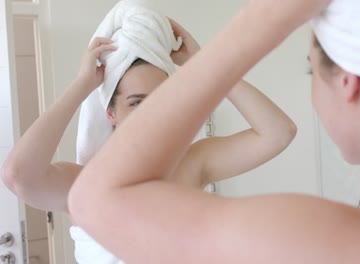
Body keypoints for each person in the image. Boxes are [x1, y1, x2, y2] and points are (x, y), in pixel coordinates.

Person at [66, 0, 360, 263]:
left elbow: (94, 200)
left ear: (349, 81)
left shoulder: (348, 242)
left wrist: (271, 14)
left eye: (311, 68)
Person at [0, 15, 297, 264]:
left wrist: (206, 62)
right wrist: (81, 86)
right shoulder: (84, 183)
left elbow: (278, 133)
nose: (152, 115)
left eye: (161, 100)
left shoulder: (193, 164)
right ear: (111, 113)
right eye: (137, 103)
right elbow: (18, 175)